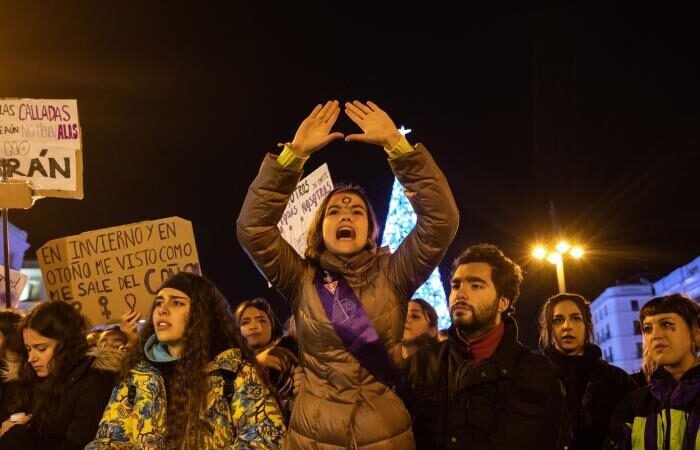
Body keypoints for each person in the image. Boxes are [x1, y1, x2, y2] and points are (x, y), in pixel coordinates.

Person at [237, 100, 459, 449]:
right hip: (314, 437)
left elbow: (440, 221)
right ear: (320, 228)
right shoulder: (300, 278)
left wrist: (397, 148)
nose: (345, 215)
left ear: (371, 230)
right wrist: (292, 157)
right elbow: (253, 229)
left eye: (356, 211)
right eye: (334, 211)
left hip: (387, 435)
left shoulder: (395, 274)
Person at [86, 272, 285, 450]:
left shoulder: (233, 371)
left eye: (177, 302)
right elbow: (108, 440)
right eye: (159, 302)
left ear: (201, 314)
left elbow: (266, 439)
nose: (162, 309)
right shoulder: (135, 377)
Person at [404, 243, 562, 450]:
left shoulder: (537, 372)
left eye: (475, 285)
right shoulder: (418, 366)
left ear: (503, 302)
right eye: (456, 285)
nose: (460, 294)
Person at [0, 301, 121, 449]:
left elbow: (78, 444)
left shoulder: (94, 379)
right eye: (28, 349)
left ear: (66, 344)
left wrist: (18, 435)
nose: (32, 358)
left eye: (41, 348)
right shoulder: (32, 378)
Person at [539, 293, 637, 450]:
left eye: (576, 318)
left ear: (587, 326)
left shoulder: (617, 380)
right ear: (548, 328)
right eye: (558, 320)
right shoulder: (535, 378)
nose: (567, 326)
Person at [606, 294, 700, 449]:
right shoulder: (632, 406)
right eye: (647, 329)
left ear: (696, 331)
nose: (655, 335)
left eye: (666, 324)